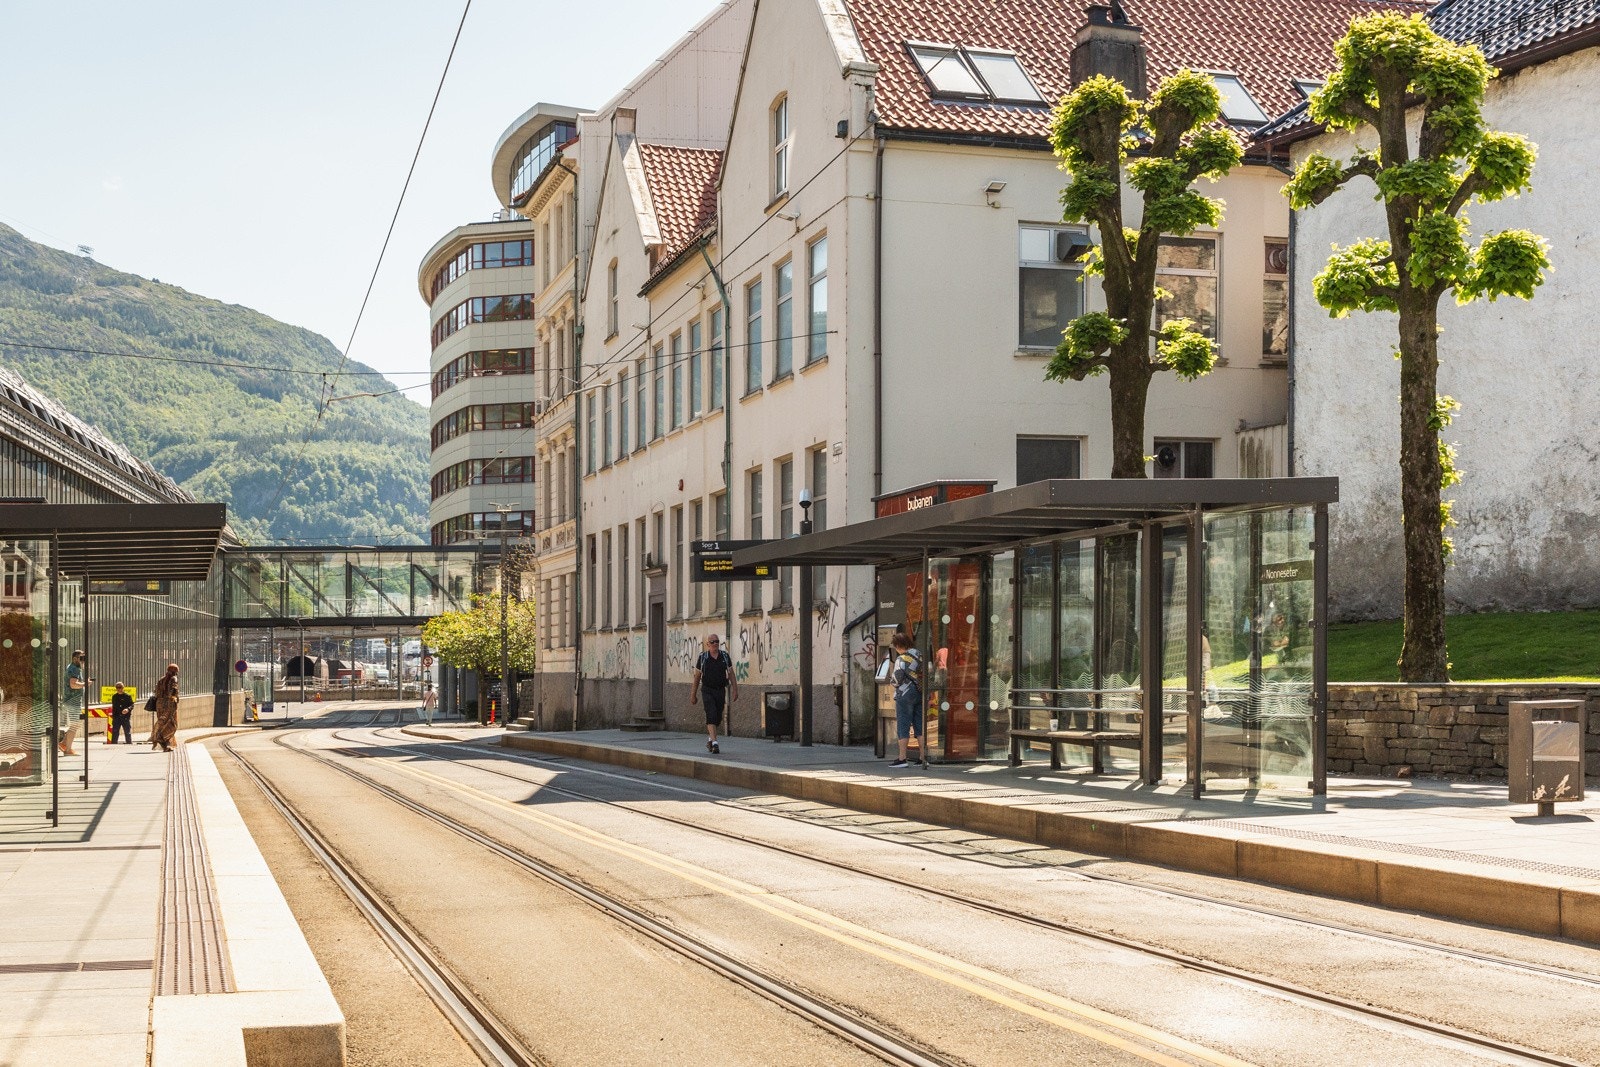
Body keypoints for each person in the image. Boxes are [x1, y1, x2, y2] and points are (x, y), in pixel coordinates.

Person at [689, 633, 736, 754]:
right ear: (707, 644)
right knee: (711, 713)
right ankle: (715, 743)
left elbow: (731, 673)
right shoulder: (703, 657)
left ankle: (710, 738)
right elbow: (697, 676)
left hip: (720, 690)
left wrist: (735, 689)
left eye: (717, 641)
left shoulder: (724, 656)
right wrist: (693, 694)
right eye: (712, 642)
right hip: (707, 690)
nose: (715, 644)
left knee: (718, 717)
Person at [889, 633, 927, 769]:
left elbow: (897, 678)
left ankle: (902, 758)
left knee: (903, 725)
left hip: (905, 694)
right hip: (919, 692)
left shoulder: (901, 658)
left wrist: (891, 682)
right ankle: (923, 757)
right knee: (919, 726)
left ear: (898, 646)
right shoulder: (919, 655)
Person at [60, 649, 86, 756]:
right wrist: (85, 684)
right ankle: (68, 749)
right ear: (75, 659)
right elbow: (73, 684)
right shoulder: (75, 669)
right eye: (81, 658)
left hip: (71, 700)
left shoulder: (72, 667)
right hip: (73, 701)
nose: (83, 661)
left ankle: (64, 743)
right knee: (75, 725)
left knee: (77, 723)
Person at [150, 663, 179, 753]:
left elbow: (156, 691)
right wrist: (175, 698)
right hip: (169, 705)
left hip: (159, 705)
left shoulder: (161, 679)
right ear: (174, 671)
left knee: (162, 723)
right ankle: (160, 739)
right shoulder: (173, 679)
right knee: (172, 724)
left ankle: (164, 744)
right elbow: (173, 691)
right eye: (176, 671)